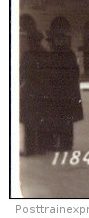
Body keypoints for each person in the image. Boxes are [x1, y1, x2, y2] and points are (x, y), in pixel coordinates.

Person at [41, 30, 84, 150]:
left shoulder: (59, 54)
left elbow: (53, 75)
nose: (50, 44)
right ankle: (65, 144)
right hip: (66, 93)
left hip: (61, 93)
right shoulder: (67, 53)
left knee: (60, 119)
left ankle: (61, 144)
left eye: (52, 41)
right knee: (64, 120)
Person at [20, 26, 49, 155]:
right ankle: (42, 148)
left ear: (31, 41)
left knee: (29, 121)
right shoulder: (45, 53)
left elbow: (22, 73)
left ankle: (30, 149)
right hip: (43, 91)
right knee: (41, 119)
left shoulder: (27, 55)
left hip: (30, 91)